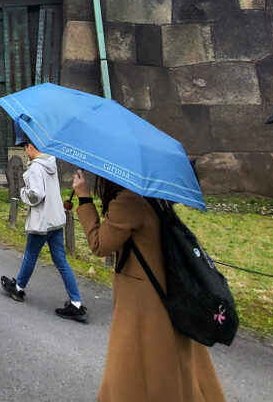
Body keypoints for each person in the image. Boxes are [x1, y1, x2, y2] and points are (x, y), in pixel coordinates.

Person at [72, 170, 227, 402]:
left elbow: (99, 245)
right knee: (173, 365)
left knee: (135, 371)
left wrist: (84, 197)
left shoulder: (127, 201)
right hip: (165, 291)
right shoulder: (152, 195)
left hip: (143, 303)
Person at [0, 138, 86, 322]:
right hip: (55, 219)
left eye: (25, 148)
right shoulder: (51, 163)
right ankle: (76, 303)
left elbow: (36, 194)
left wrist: (23, 192)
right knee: (61, 261)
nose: (25, 152)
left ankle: (19, 288)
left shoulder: (36, 167)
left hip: (41, 221)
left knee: (30, 255)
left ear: (31, 147)